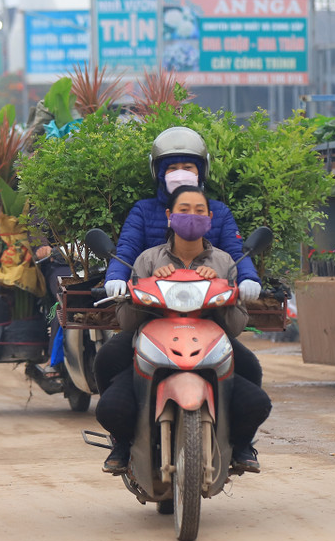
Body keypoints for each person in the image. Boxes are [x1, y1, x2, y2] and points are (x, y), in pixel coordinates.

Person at [95, 186, 271, 475]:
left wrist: (222, 290)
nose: (192, 216)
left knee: (254, 385)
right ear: (169, 216)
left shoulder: (224, 262)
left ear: (210, 218)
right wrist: (144, 284)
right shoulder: (148, 260)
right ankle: (122, 443)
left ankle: (241, 444)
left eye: (199, 211)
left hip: (210, 338)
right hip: (154, 337)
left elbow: (237, 326)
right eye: (184, 210)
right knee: (109, 391)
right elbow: (126, 321)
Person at [94, 126, 264, 394]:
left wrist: (248, 279)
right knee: (108, 360)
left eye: (188, 166)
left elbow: (235, 252)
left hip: (207, 312)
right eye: (173, 167)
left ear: (201, 172)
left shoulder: (217, 212)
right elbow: (125, 249)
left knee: (249, 369)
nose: (181, 173)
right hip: (152, 310)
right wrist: (116, 277)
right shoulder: (143, 211)